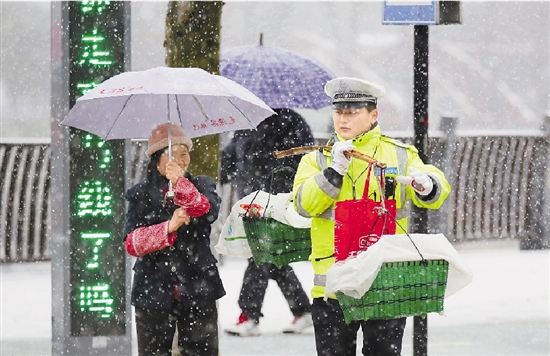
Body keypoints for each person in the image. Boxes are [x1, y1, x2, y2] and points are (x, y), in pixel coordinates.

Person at [292, 77, 451, 355]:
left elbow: (437, 193)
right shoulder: (316, 159)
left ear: (373, 115)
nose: (343, 119)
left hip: (384, 281)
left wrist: (428, 184)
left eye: (352, 112)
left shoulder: (399, 154)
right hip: (333, 285)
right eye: (339, 112)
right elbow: (304, 205)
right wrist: (334, 172)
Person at [123, 123, 225, 356]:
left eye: (184, 153)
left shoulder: (202, 185)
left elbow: (206, 210)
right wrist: (169, 226)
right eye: (172, 154)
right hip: (153, 289)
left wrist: (181, 184)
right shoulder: (140, 194)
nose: (180, 160)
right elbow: (132, 243)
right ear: (156, 159)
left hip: (199, 285)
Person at [221, 108, 315, 337]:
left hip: (280, 203)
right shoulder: (246, 124)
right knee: (273, 259)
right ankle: (303, 310)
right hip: (252, 205)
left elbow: (305, 161)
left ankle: (249, 316)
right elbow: (230, 161)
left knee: (261, 256)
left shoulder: (290, 122)